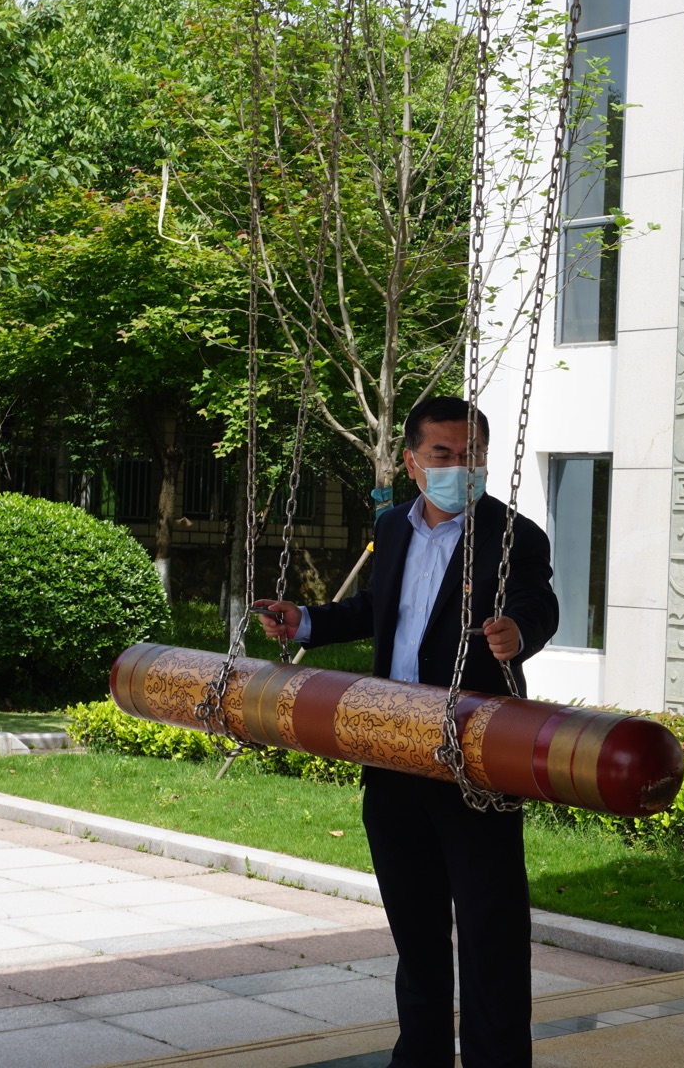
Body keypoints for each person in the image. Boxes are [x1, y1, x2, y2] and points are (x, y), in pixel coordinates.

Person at [254, 395, 559, 1068]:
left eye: (472, 455)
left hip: (473, 762)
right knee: (416, 938)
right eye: (443, 454)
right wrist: (307, 621)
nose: (460, 467)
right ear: (413, 461)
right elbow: (379, 608)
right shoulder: (393, 526)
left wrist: (519, 632)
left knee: (490, 939)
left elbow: (538, 602)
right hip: (392, 755)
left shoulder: (514, 535)